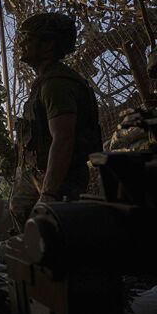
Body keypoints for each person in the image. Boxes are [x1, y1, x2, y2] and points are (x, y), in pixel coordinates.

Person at [10, 12, 102, 232]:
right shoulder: (45, 82)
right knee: (24, 220)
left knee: (53, 237)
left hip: (59, 180)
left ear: (48, 44)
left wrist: (49, 194)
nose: (23, 43)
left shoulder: (56, 84)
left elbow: (63, 138)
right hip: (38, 174)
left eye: (29, 39)